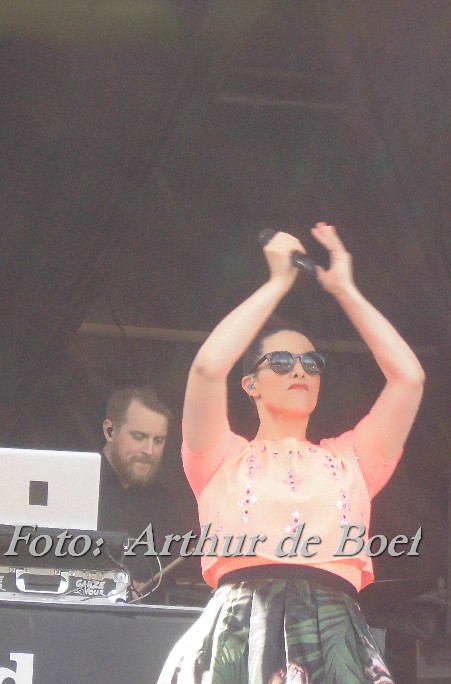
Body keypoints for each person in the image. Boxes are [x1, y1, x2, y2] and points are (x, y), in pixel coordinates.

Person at [158, 223, 425, 684]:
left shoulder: (352, 460)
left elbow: (409, 379)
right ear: (250, 385)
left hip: (334, 634)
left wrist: (345, 291)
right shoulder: (220, 457)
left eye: (311, 363)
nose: (299, 371)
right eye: (281, 362)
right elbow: (206, 369)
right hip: (239, 632)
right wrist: (277, 284)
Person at [97, 385, 190, 593]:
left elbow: (168, 580)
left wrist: (148, 587)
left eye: (158, 440)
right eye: (139, 437)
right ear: (109, 431)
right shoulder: (76, 485)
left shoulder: (163, 503)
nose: (149, 450)